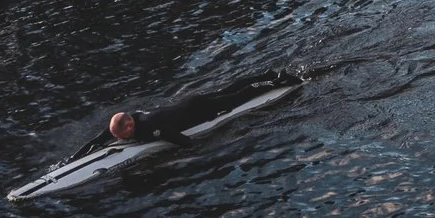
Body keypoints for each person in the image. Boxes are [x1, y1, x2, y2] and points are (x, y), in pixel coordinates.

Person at [101, 76, 292, 149]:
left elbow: (183, 140)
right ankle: (266, 75)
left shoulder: (152, 126)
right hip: (190, 102)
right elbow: (104, 135)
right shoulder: (133, 116)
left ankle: (277, 81)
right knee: (228, 90)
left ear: (129, 125)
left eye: (123, 136)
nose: (122, 139)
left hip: (201, 108)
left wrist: (196, 150)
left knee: (240, 96)